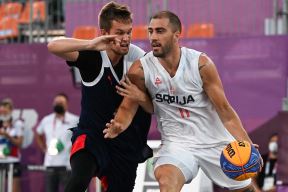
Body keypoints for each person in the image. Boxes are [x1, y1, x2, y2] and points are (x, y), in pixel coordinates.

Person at [103, 10, 262, 192]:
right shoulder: (140, 69)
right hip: (177, 142)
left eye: (160, 31)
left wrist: (247, 142)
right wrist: (119, 124)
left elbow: (225, 112)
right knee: (166, 180)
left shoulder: (201, 64)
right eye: (150, 31)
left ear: (177, 35)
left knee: (246, 189)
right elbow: (128, 106)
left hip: (215, 141)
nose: (153, 37)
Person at [47, 1, 152, 192]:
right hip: (92, 137)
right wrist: (90, 43)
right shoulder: (94, 57)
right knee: (78, 182)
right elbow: (53, 45)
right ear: (104, 33)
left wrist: (141, 97)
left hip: (126, 143)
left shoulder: (140, 59)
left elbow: (154, 108)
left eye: (129, 32)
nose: (126, 38)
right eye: (119, 32)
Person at [35, 93, 79, 192]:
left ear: (67, 105)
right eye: (56, 102)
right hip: (50, 164)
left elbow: (81, 137)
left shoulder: (75, 120)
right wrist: (43, 148)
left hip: (67, 165)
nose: (58, 104)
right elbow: (38, 133)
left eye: (61, 102)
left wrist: (74, 149)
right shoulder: (47, 120)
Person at [0, 98, 24, 192]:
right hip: (0, 160)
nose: (4, 113)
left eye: (6, 111)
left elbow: (20, 143)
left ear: (11, 111)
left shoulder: (17, 123)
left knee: (14, 190)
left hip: (12, 161)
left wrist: (7, 135)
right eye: (2, 111)